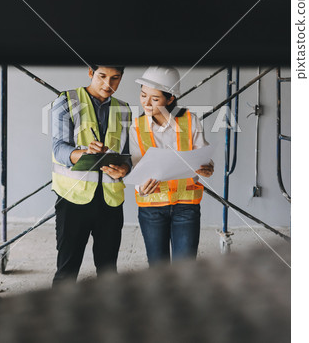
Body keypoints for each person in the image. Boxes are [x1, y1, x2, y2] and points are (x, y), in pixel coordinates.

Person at [51, 65, 131, 285]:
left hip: (110, 200)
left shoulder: (123, 109)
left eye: (115, 78)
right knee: (67, 270)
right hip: (73, 198)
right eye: (102, 76)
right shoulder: (66, 101)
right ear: (90, 73)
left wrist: (125, 168)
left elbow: (126, 155)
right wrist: (83, 153)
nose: (108, 84)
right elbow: (59, 149)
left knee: (108, 270)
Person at [129, 66, 214, 266]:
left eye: (155, 99)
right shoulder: (136, 127)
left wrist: (208, 166)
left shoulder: (190, 120)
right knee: (158, 270)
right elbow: (136, 165)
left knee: (185, 269)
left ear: (170, 99)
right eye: (143, 95)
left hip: (186, 206)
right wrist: (140, 186)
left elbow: (203, 154)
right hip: (152, 208)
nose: (146, 103)